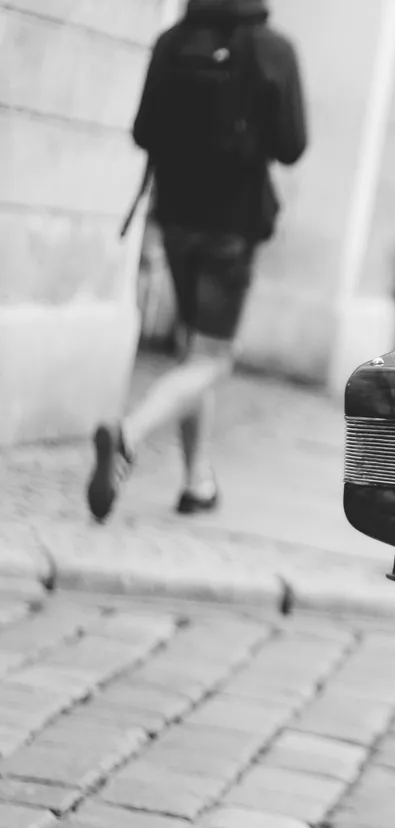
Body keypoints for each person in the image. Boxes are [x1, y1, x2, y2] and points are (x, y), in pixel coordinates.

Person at [88, 0, 307, 521]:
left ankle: (196, 482)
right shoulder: (272, 49)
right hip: (231, 227)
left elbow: (143, 130)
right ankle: (129, 434)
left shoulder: (172, 41)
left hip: (177, 220)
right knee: (211, 359)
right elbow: (292, 144)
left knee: (193, 350)